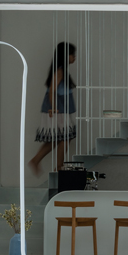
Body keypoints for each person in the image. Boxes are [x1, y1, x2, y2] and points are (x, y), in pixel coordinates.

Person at [28, 43, 77, 175]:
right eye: (72, 54)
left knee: (59, 138)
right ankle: (59, 167)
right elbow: (52, 91)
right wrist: (54, 108)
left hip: (60, 107)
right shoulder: (59, 71)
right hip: (58, 108)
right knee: (65, 137)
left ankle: (37, 160)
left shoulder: (61, 71)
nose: (74, 57)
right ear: (65, 56)